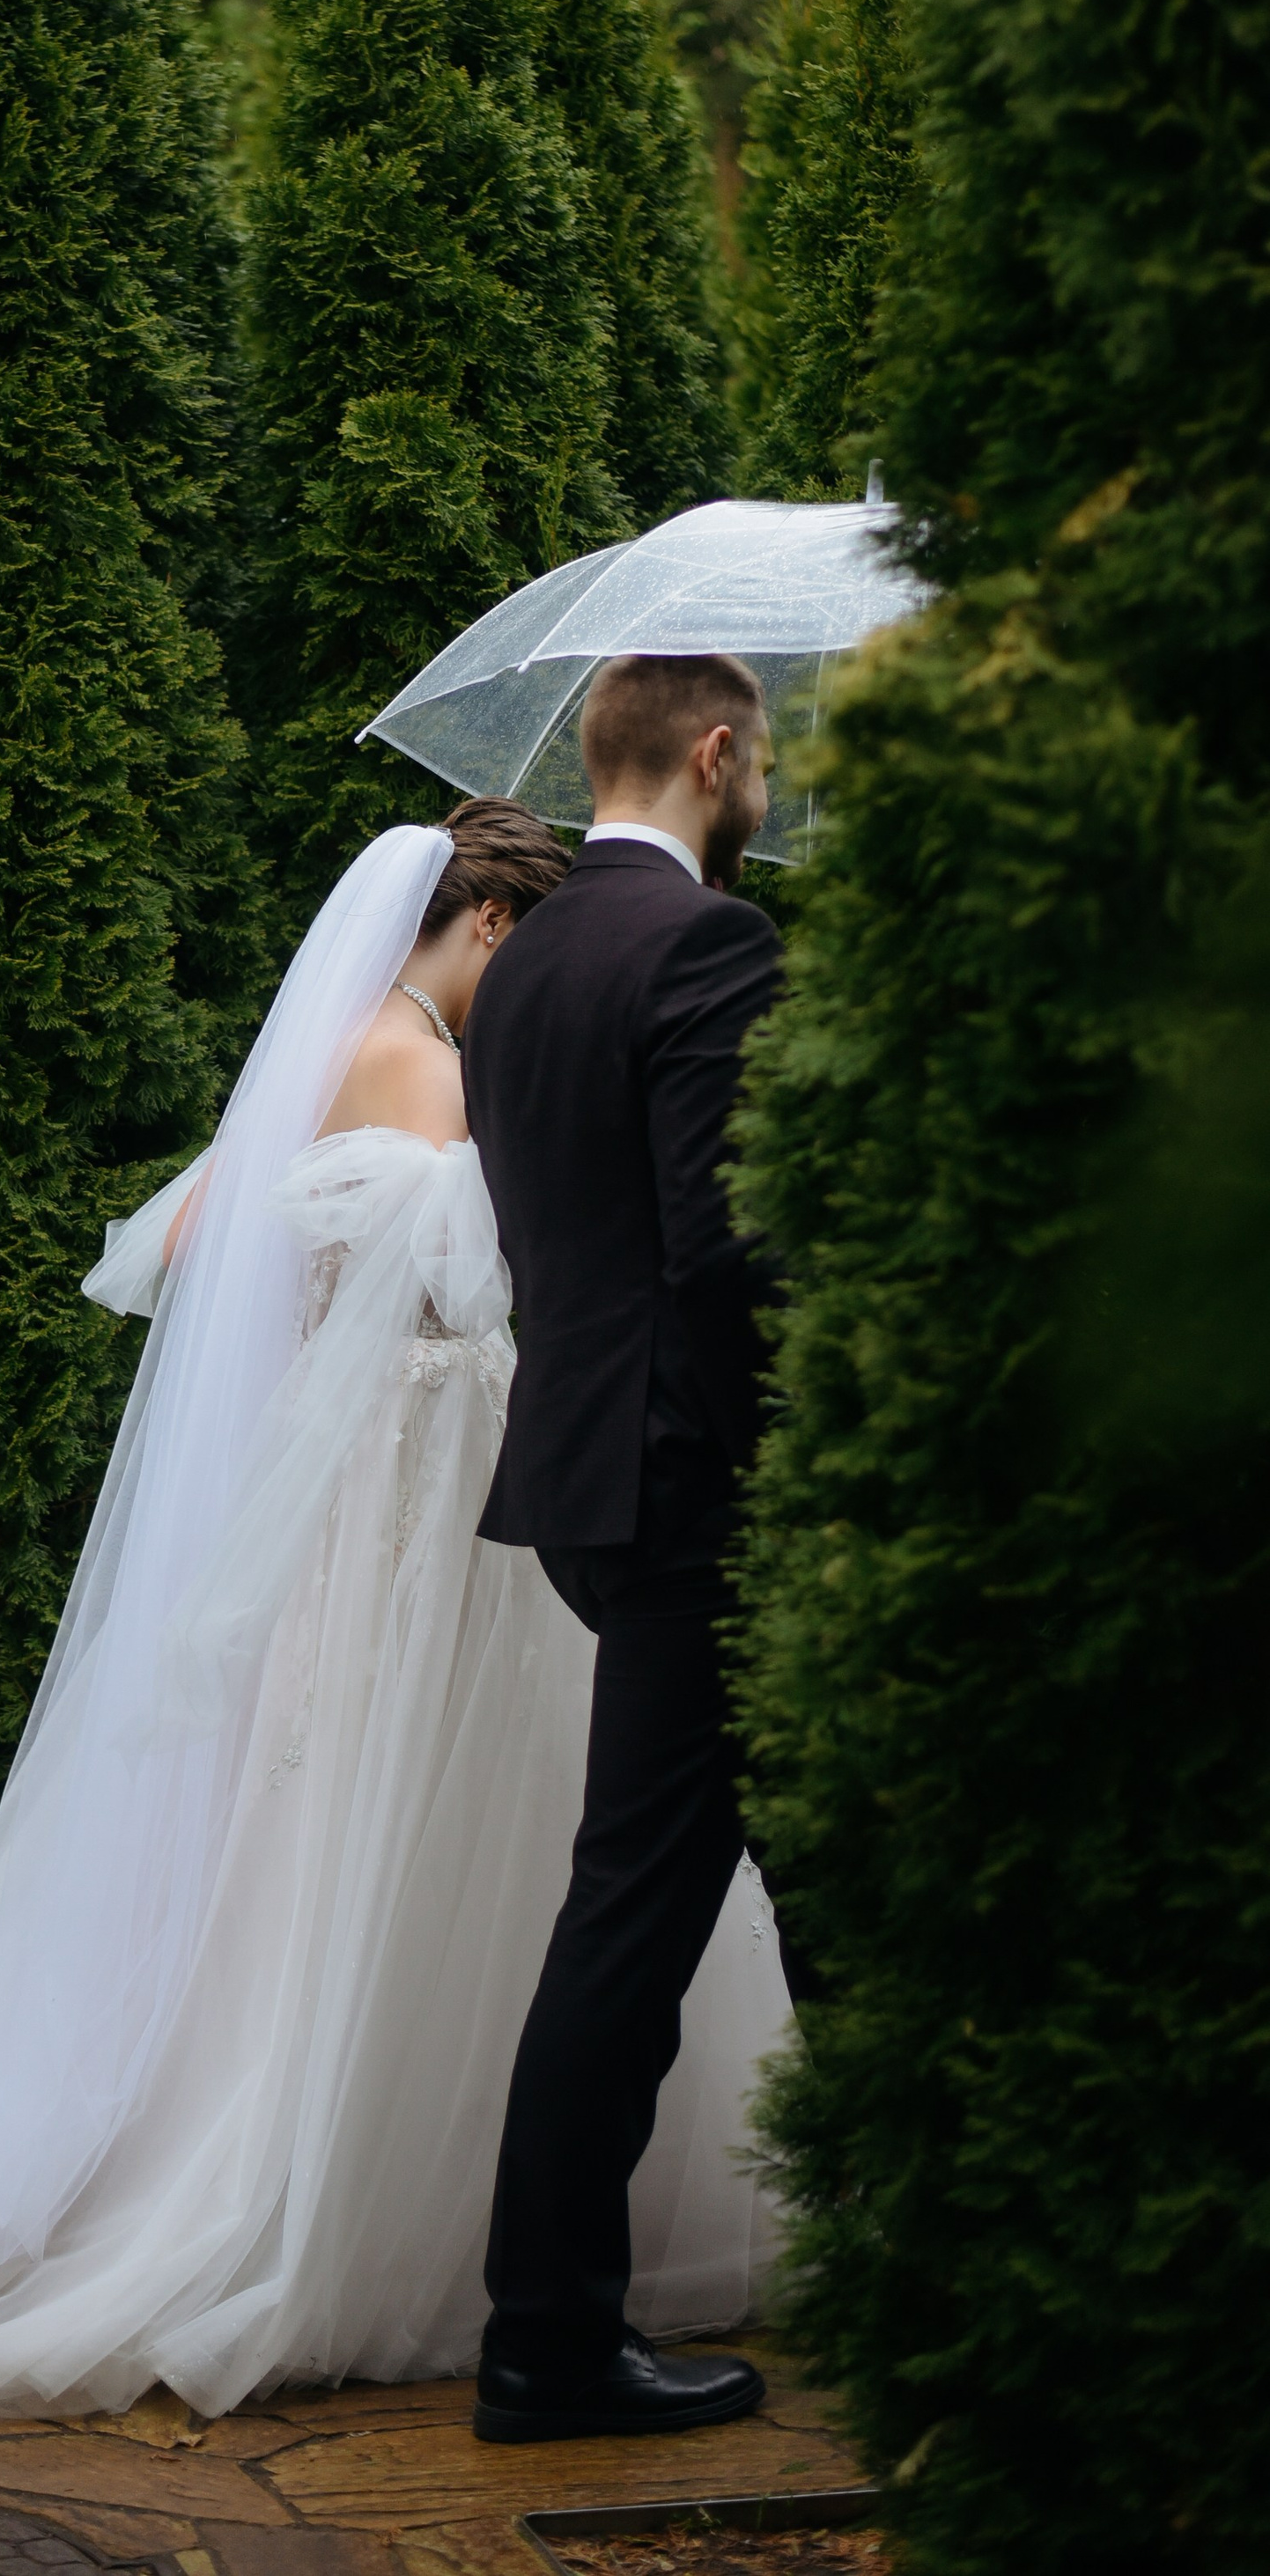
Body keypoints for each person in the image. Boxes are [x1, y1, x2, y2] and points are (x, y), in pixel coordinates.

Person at [0, 801, 788, 2418]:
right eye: (521, 960)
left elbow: (195, 1238)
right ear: (485, 927)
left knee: (289, 1847)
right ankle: (380, 2214)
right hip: (426, 1507)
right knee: (413, 1842)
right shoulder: (421, 1064)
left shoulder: (324, 1056)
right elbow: (494, 1282)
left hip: (342, 1511)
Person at [464, 651, 806, 2446]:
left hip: (592, 1485)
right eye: (762, 762)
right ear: (714, 749)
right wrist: (807, 1472)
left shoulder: (519, 963)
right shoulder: (706, 947)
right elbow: (725, 1251)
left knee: (726, 1888)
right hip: (703, 1495)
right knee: (631, 1914)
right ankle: (544, 2343)